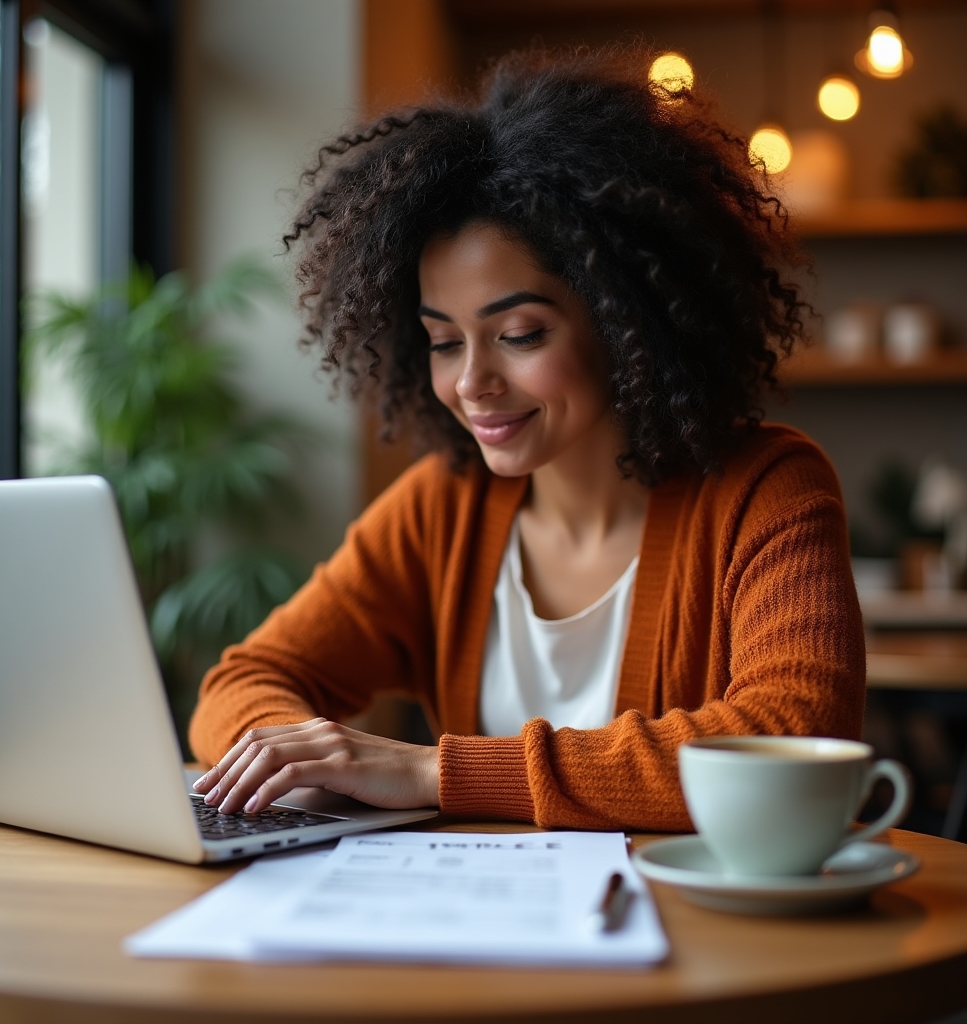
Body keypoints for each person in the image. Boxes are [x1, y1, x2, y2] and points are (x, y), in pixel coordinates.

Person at [189, 48, 865, 832]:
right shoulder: (442, 511)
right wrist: (298, 754)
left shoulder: (765, 488)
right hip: (485, 931)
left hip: (693, 939)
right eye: (443, 341)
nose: (471, 382)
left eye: (518, 333)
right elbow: (244, 680)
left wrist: (431, 771)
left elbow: (795, 733)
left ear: (625, 320)